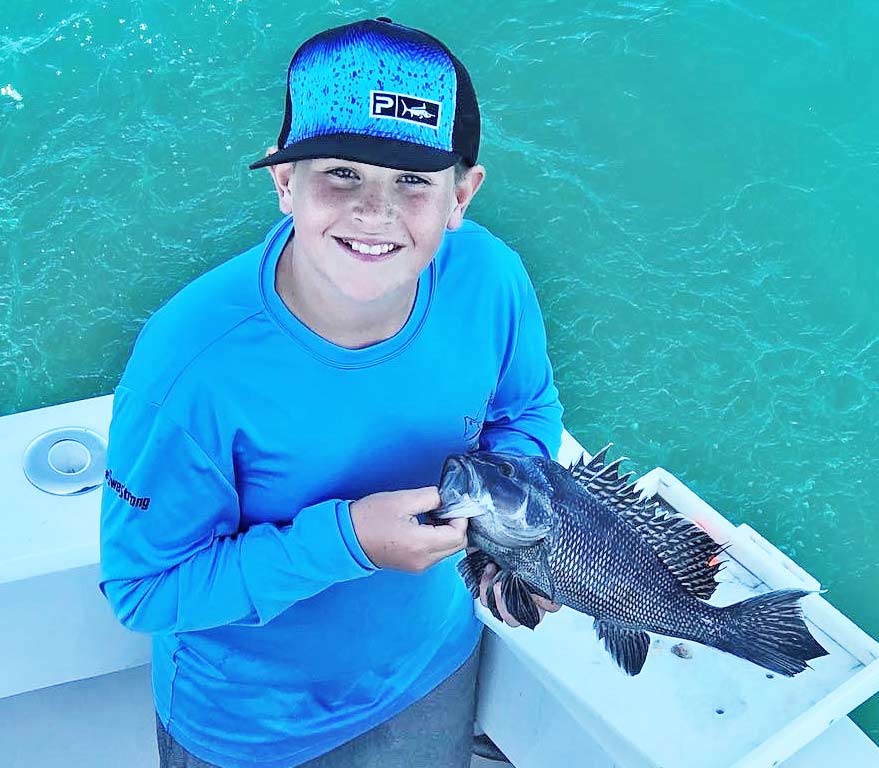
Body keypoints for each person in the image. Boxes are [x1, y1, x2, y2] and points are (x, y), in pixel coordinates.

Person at [99, 17, 564, 768]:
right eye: (341, 173)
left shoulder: (491, 278)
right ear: (286, 183)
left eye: (412, 180)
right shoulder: (190, 370)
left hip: (434, 664)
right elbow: (145, 589)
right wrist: (347, 541)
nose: (374, 211)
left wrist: (512, 538)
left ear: (461, 195)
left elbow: (526, 413)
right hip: (252, 730)